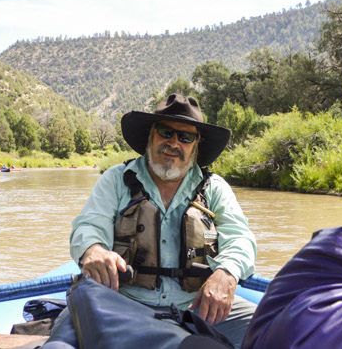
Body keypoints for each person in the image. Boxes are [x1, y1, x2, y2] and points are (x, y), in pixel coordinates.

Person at [64, 94, 257, 348]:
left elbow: (241, 238)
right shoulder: (116, 180)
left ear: (195, 145)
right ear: (151, 136)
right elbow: (88, 226)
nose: (174, 143)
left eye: (185, 137)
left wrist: (227, 273)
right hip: (123, 305)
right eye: (166, 132)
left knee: (279, 328)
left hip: (199, 307)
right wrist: (93, 249)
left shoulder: (214, 188)